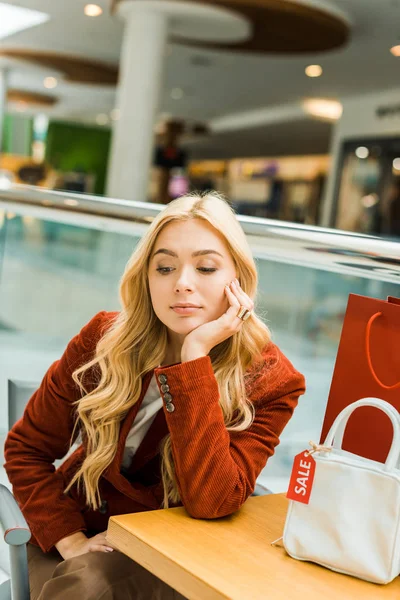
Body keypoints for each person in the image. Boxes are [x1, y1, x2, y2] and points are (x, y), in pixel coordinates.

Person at [4, 192, 306, 599]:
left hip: (177, 554)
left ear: (238, 279)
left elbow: (212, 501)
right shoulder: (104, 340)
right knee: (89, 589)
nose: (182, 283)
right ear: (146, 277)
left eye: (205, 267)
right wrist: (70, 539)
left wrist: (193, 360)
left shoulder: (270, 379)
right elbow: (26, 450)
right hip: (82, 539)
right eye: (164, 267)